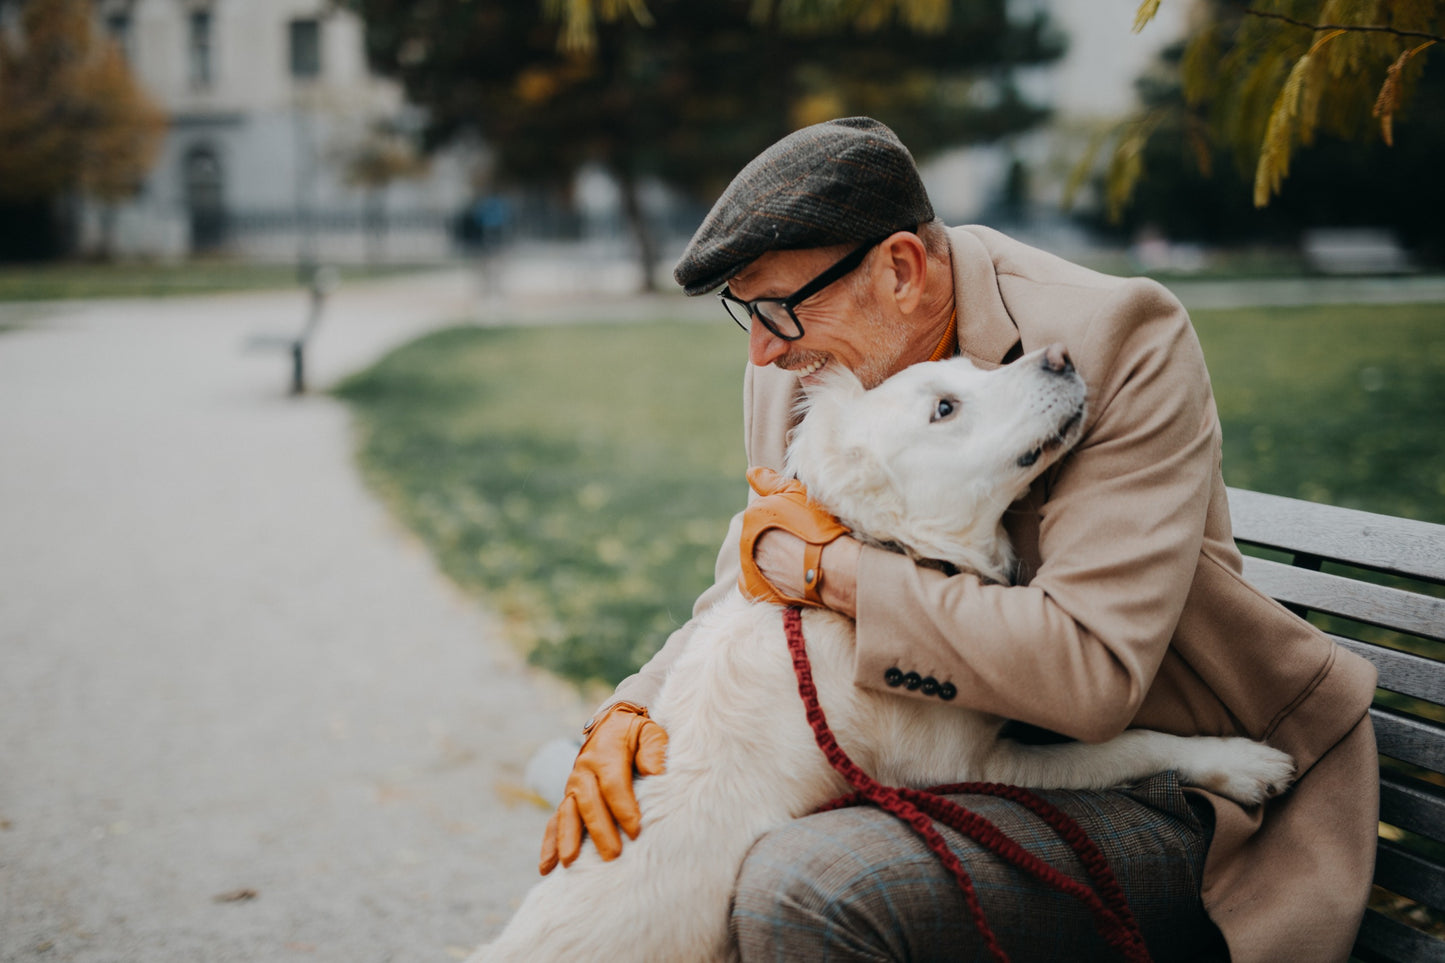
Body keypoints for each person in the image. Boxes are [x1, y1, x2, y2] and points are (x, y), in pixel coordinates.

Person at [537, 117, 1379, 962]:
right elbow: (755, 581)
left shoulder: (1118, 338)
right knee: (624, 838)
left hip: (1178, 787)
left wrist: (836, 572)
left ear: (901, 269)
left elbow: (1092, 670)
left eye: (779, 305)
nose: (761, 347)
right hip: (932, 763)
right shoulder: (802, 367)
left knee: (809, 881)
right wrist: (630, 708)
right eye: (744, 310)